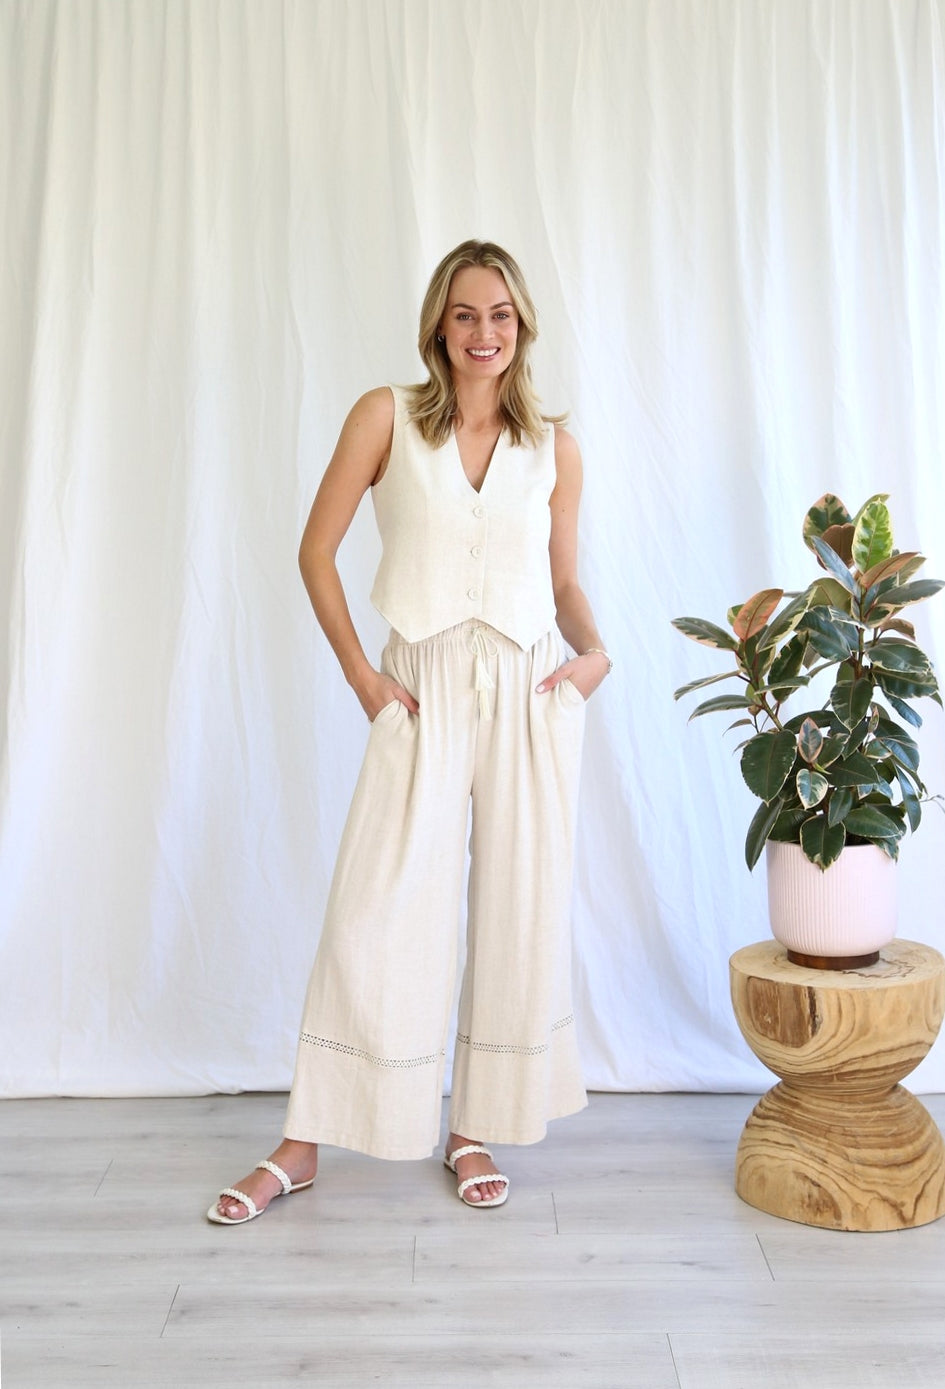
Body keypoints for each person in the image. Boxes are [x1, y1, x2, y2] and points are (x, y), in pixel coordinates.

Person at [208, 239, 612, 1223]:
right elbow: (316, 551)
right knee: (375, 908)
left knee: (517, 906)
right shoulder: (385, 416)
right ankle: (303, 1142)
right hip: (418, 687)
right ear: (439, 323)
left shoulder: (554, 448)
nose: (483, 333)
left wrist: (595, 654)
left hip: (526, 685)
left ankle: (472, 1126)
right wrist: (362, 676)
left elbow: (562, 580)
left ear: (522, 327)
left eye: (500, 315)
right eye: (465, 314)